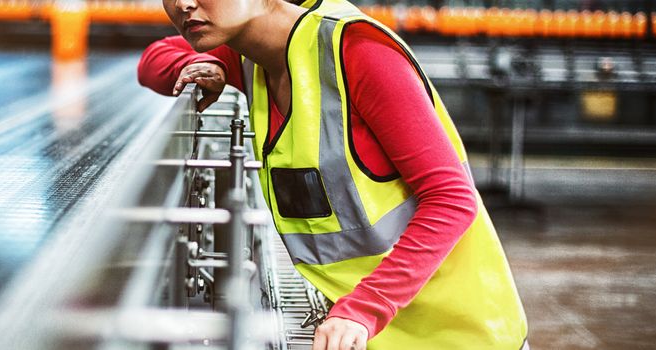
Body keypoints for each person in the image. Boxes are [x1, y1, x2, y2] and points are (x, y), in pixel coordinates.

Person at [137, 0, 529, 348]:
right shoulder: (250, 58)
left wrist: (363, 309)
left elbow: (451, 199)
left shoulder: (354, 51)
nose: (182, 5)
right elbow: (152, 60)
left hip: (458, 333)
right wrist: (198, 64)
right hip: (365, 333)